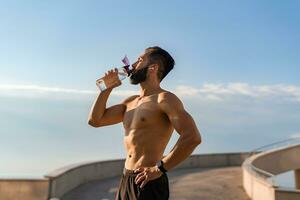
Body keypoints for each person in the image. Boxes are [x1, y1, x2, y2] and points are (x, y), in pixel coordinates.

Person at [87, 46, 202, 200]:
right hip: (126, 178)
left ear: (152, 68)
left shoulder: (165, 99)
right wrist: (105, 90)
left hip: (148, 181)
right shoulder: (130, 102)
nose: (133, 65)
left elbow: (192, 137)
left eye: (140, 60)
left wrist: (159, 169)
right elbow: (95, 120)